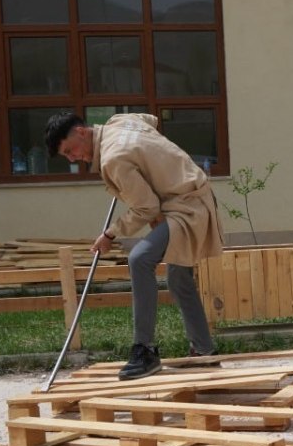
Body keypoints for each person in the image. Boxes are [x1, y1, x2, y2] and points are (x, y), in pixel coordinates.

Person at [45, 111, 224, 380]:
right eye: (67, 156)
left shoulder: (114, 158)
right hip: (191, 197)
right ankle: (204, 352)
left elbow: (147, 207)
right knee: (179, 279)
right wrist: (153, 163)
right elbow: (151, 119)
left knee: (139, 259)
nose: (73, 158)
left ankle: (145, 350)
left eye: (71, 150)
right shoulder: (120, 121)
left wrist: (110, 234)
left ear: (82, 132)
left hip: (187, 210)